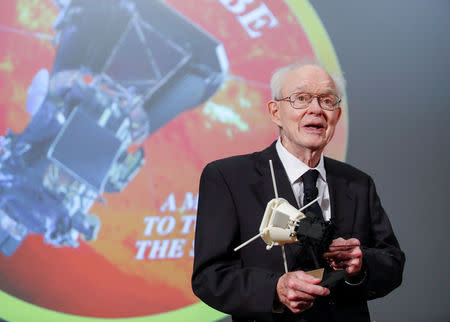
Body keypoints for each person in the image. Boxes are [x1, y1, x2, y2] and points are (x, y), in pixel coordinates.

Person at [191, 63, 405, 322]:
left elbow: (392, 262)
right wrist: (275, 289)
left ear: (336, 115)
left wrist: (360, 266)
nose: (315, 109)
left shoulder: (358, 183)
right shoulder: (229, 178)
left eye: (326, 100)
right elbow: (210, 276)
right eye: (301, 98)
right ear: (275, 112)